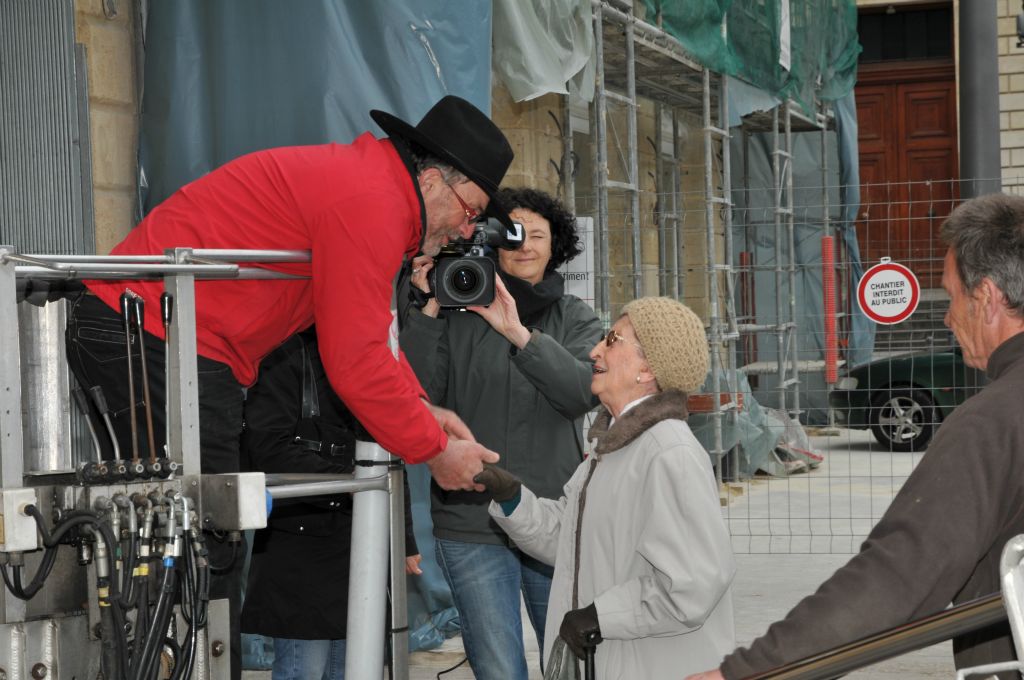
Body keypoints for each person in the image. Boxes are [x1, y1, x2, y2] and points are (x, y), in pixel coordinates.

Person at [64, 95, 510, 679]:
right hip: (150, 333)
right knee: (200, 540)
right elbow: (354, 359)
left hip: (168, 339)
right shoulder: (371, 202)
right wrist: (432, 448)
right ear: (430, 179)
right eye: (470, 211)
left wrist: (426, 412)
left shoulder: (373, 191)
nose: (466, 229)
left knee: (201, 540)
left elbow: (371, 335)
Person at [687, 192, 1024, 680]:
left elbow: (899, 575)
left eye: (951, 297)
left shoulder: (992, 422)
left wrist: (746, 672)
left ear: (988, 298)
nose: (949, 317)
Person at [399, 187, 604, 680]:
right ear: (492, 243)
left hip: (554, 517)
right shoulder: (454, 315)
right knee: (498, 669)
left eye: (539, 235)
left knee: (571, 662)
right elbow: (414, 394)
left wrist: (516, 331)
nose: (526, 245)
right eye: (513, 235)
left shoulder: (575, 317)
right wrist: (427, 308)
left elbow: (580, 392)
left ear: (558, 247)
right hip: (473, 519)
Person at [475, 296, 736, 679]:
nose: (595, 350)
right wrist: (512, 498)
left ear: (647, 369)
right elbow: (568, 538)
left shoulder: (668, 453)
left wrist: (602, 615)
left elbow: (693, 584)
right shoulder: (612, 447)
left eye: (612, 339)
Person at [239, 329, 423, 679]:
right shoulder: (287, 354)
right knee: (304, 669)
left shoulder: (371, 352)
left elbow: (389, 456)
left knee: (355, 667)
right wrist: (355, 483)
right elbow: (267, 449)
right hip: (303, 550)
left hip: (360, 545)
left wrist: (403, 537)